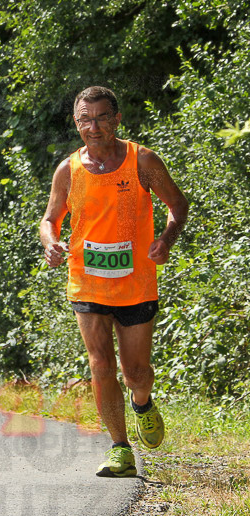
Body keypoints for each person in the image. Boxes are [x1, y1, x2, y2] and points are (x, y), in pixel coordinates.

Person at [40, 86, 188, 477]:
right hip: (87, 280)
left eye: (103, 117)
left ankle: (142, 402)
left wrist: (166, 240)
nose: (94, 127)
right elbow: (50, 219)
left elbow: (178, 204)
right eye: (85, 119)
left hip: (135, 280)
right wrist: (51, 243)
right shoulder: (67, 169)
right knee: (100, 363)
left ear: (117, 119)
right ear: (76, 123)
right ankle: (119, 447)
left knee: (136, 370)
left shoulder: (142, 160)